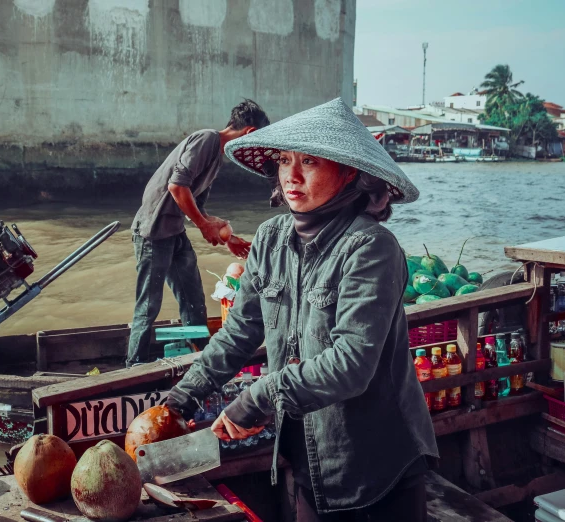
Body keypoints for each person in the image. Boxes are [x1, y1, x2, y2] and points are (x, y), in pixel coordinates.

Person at [166, 98, 438, 521]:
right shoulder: (272, 238)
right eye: (284, 160)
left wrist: (259, 396)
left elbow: (351, 364)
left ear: (350, 172)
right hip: (305, 458)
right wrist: (179, 401)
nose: (290, 176)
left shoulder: (371, 248)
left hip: (374, 463)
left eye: (309, 161)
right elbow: (240, 331)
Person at [126, 100, 271, 367]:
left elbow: (197, 205)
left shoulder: (217, 157)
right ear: (250, 133)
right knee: (148, 307)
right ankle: (133, 368)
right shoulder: (207, 139)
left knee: (193, 301)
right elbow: (177, 187)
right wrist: (204, 226)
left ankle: (200, 357)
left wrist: (228, 237)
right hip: (152, 232)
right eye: (256, 143)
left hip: (174, 233)